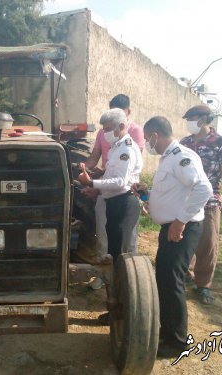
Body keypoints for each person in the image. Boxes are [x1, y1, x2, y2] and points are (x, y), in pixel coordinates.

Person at [132, 116, 212, 358]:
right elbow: (173, 193)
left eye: (147, 139)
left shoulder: (180, 156)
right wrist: (147, 195)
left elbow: (203, 189)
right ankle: (168, 333)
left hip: (181, 230)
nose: (147, 143)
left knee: (171, 282)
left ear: (155, 135)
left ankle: (176, 342)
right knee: (165, 280)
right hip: (171, 229)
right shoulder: (168, 158)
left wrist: (180, 221)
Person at [78, 108, 143, 323]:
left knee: (122, 260)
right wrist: (97, 189)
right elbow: (111, 177)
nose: (104, 133)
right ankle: (118, 308)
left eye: (108, 129)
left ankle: (126, 311)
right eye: (103, 129)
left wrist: (92, 183)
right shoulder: (116, 148)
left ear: (122, 127)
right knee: (115, 256)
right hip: (114, 202)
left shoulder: (127, 150)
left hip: (124, 204)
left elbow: (121, 183)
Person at [181, 105, 222, 304]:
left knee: (207, 244)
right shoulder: (185, 143)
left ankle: (203, 285)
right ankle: (186, 272)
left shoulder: (221, 143)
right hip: (185, 200)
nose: (189, 123)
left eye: (192, 118)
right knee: (184, 239)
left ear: (203, 119)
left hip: (209, 202)